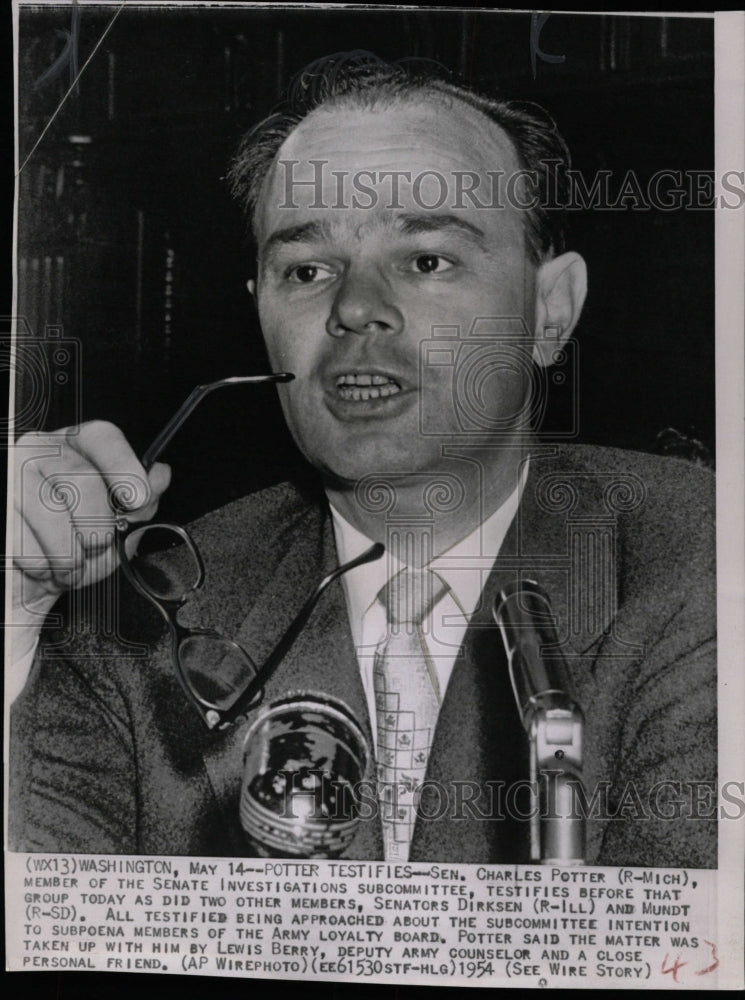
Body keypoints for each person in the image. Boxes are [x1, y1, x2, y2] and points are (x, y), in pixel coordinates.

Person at [9, 52, 716, 867]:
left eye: (425, 261)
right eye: (306, 271)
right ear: (261, 316)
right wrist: (14, 609)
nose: (353, 310)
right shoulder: (141, 615)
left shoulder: (697, 563)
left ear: (548, 312)